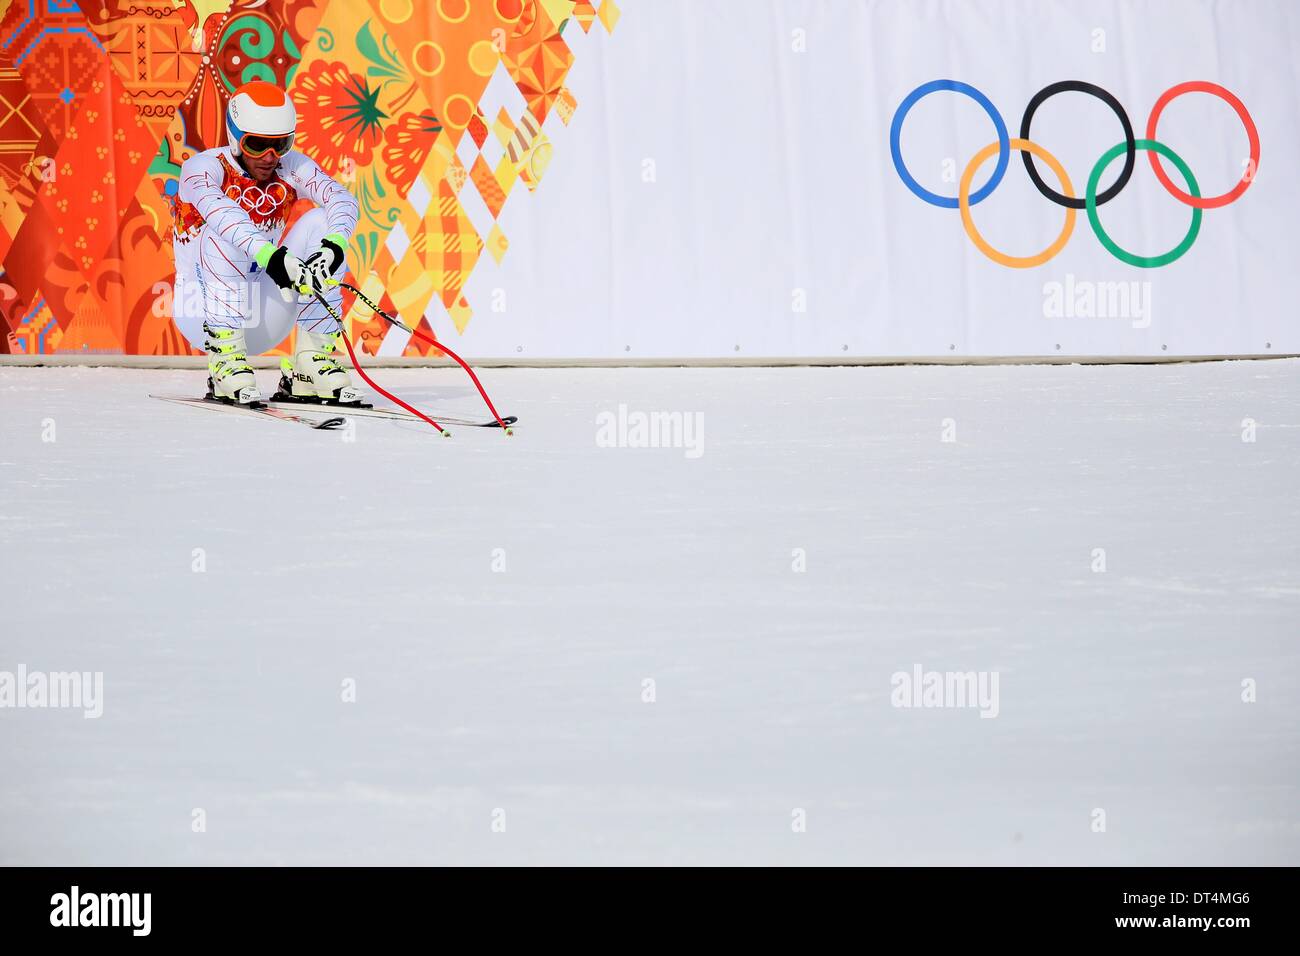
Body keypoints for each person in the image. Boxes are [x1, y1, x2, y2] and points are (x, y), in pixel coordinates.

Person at [170, 80, 361, 405]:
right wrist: (272, 257)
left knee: (323, 221)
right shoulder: (201, 168)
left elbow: (341, 199)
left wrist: (333, 247)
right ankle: (225, 361)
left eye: (280, 144)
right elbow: (223, 214)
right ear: (235, 137)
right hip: (200, 311)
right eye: (257, 144)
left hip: (266, 314)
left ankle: (310, 364)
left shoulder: (291, 166)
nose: (270, 157)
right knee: (223, 230)